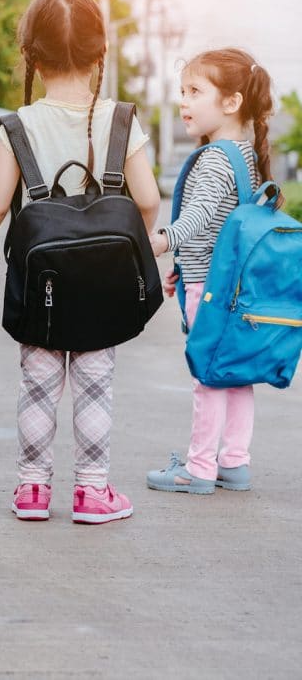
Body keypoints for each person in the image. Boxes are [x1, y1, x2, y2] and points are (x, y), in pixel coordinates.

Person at [0, 0, 161, 524]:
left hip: (42, 288)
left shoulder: (19, 126)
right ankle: (92, 493)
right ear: (101, 54)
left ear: (30, 55)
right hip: (103, 287)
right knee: (94, 387)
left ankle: (32, 491)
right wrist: (132, 244)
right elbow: (147, 200)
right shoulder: (121, 119)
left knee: (38, 386)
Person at [145, 49, 272, 495]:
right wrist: (187, 264)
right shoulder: (246, 155)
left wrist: (162, 242)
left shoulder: (215, 158)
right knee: (236, 376)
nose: (184, 102)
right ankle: (234, 462)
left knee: (208, 379)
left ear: (232, 103)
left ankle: (198, 468)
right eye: (182, 91)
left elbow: (199, 216)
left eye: (195, 91)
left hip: (212, 293)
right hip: (235, 289)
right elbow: (226, 226)